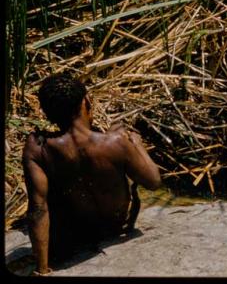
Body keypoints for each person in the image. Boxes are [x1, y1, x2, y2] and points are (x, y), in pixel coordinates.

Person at [22, 73, 162, 276]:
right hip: (115, 229)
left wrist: (42, 270)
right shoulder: (116, 143)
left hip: (73, 237)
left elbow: (38, 208)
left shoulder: (38, 149)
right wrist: (136, 144)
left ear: (47, 113)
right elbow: (154, 181)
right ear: (86, 101)